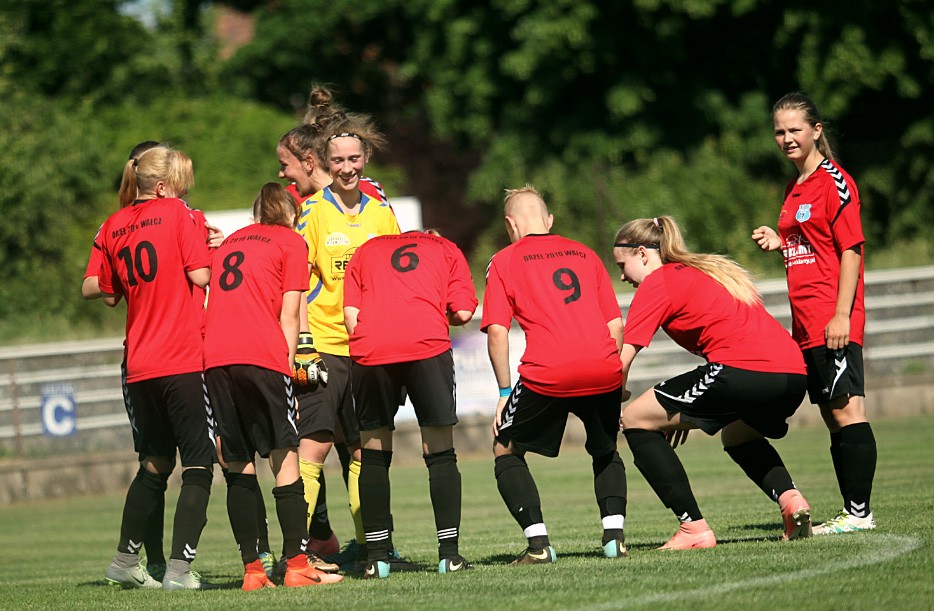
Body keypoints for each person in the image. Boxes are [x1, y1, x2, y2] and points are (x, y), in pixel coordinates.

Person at [615, 216, 812, 549]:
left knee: (635, 418)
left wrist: (615, 396)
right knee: (737, 435)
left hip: (744, 370)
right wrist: (680, 412)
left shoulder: (658, 281)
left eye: (623, 265)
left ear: (643, 254)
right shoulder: (705, 271)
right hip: (793, 374)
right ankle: (792, 502)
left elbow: (623, 359)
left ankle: (693, 528)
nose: (622, 276)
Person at [203, 183, 343, 590]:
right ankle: (298, 566)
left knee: (237, 462)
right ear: (292, 214)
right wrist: (288, 372)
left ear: (257, 213)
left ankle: (253, 571)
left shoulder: (230, 243)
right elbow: (291, 315)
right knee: (285, 456)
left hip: (216, 359)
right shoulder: (291, 242)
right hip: (262, 355)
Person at [283, 112, 405, 573]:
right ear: (325, 162)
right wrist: (303, 342)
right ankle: (297, 554)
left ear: (365, 157)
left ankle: (372, 546)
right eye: (338, 161)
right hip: (325, 344)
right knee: (313, 446)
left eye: (354, 159)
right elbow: (296, 284)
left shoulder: (381, 213)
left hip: (369, 347)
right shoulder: (312, 212)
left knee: (362, 450)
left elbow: (397, 274)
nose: (347, 168)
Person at [481, 186, 629, 565]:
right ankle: (614, 539)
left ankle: (538, 546)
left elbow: (497, 331)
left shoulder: (503, 260)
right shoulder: (585, 253)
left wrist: (504, 392)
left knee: (505, 447)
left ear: (510, 224)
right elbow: (615, 324)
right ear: (549, 220)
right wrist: (612, 373)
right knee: (605, 448)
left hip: (547, 371)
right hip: (603, 365)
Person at [752, 92, 877, 535]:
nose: (786, 138)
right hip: (805, 323)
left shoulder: (834, 181)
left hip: (832, 317)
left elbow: (850, 249)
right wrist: (780, 242)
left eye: (795, 130)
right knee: (832, 416)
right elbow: (811, 243)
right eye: (779, 131)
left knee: (847, 411)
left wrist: (842, 315)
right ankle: (851, 512)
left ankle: (859, 514)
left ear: (816, 130)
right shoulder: (794, 186)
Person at [96, 146, 215, 589]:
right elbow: (201, 276)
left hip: (139, 362)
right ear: (163, 185)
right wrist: (215, 248)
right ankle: (179, 571)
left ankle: (125, 561)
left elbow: (108, 293)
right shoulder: (178, 213)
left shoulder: (113, 223)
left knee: (155, 462)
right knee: (199, 463)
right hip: (181, 357)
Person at [343, 229, 478, 578]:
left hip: (372, 349)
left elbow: (351, 317)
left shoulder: (366, 250)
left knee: (373, 452)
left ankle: (376, 559)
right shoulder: (446, 247)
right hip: (426, 344)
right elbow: (464, 312)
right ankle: (449, 556)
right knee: (440, 451)